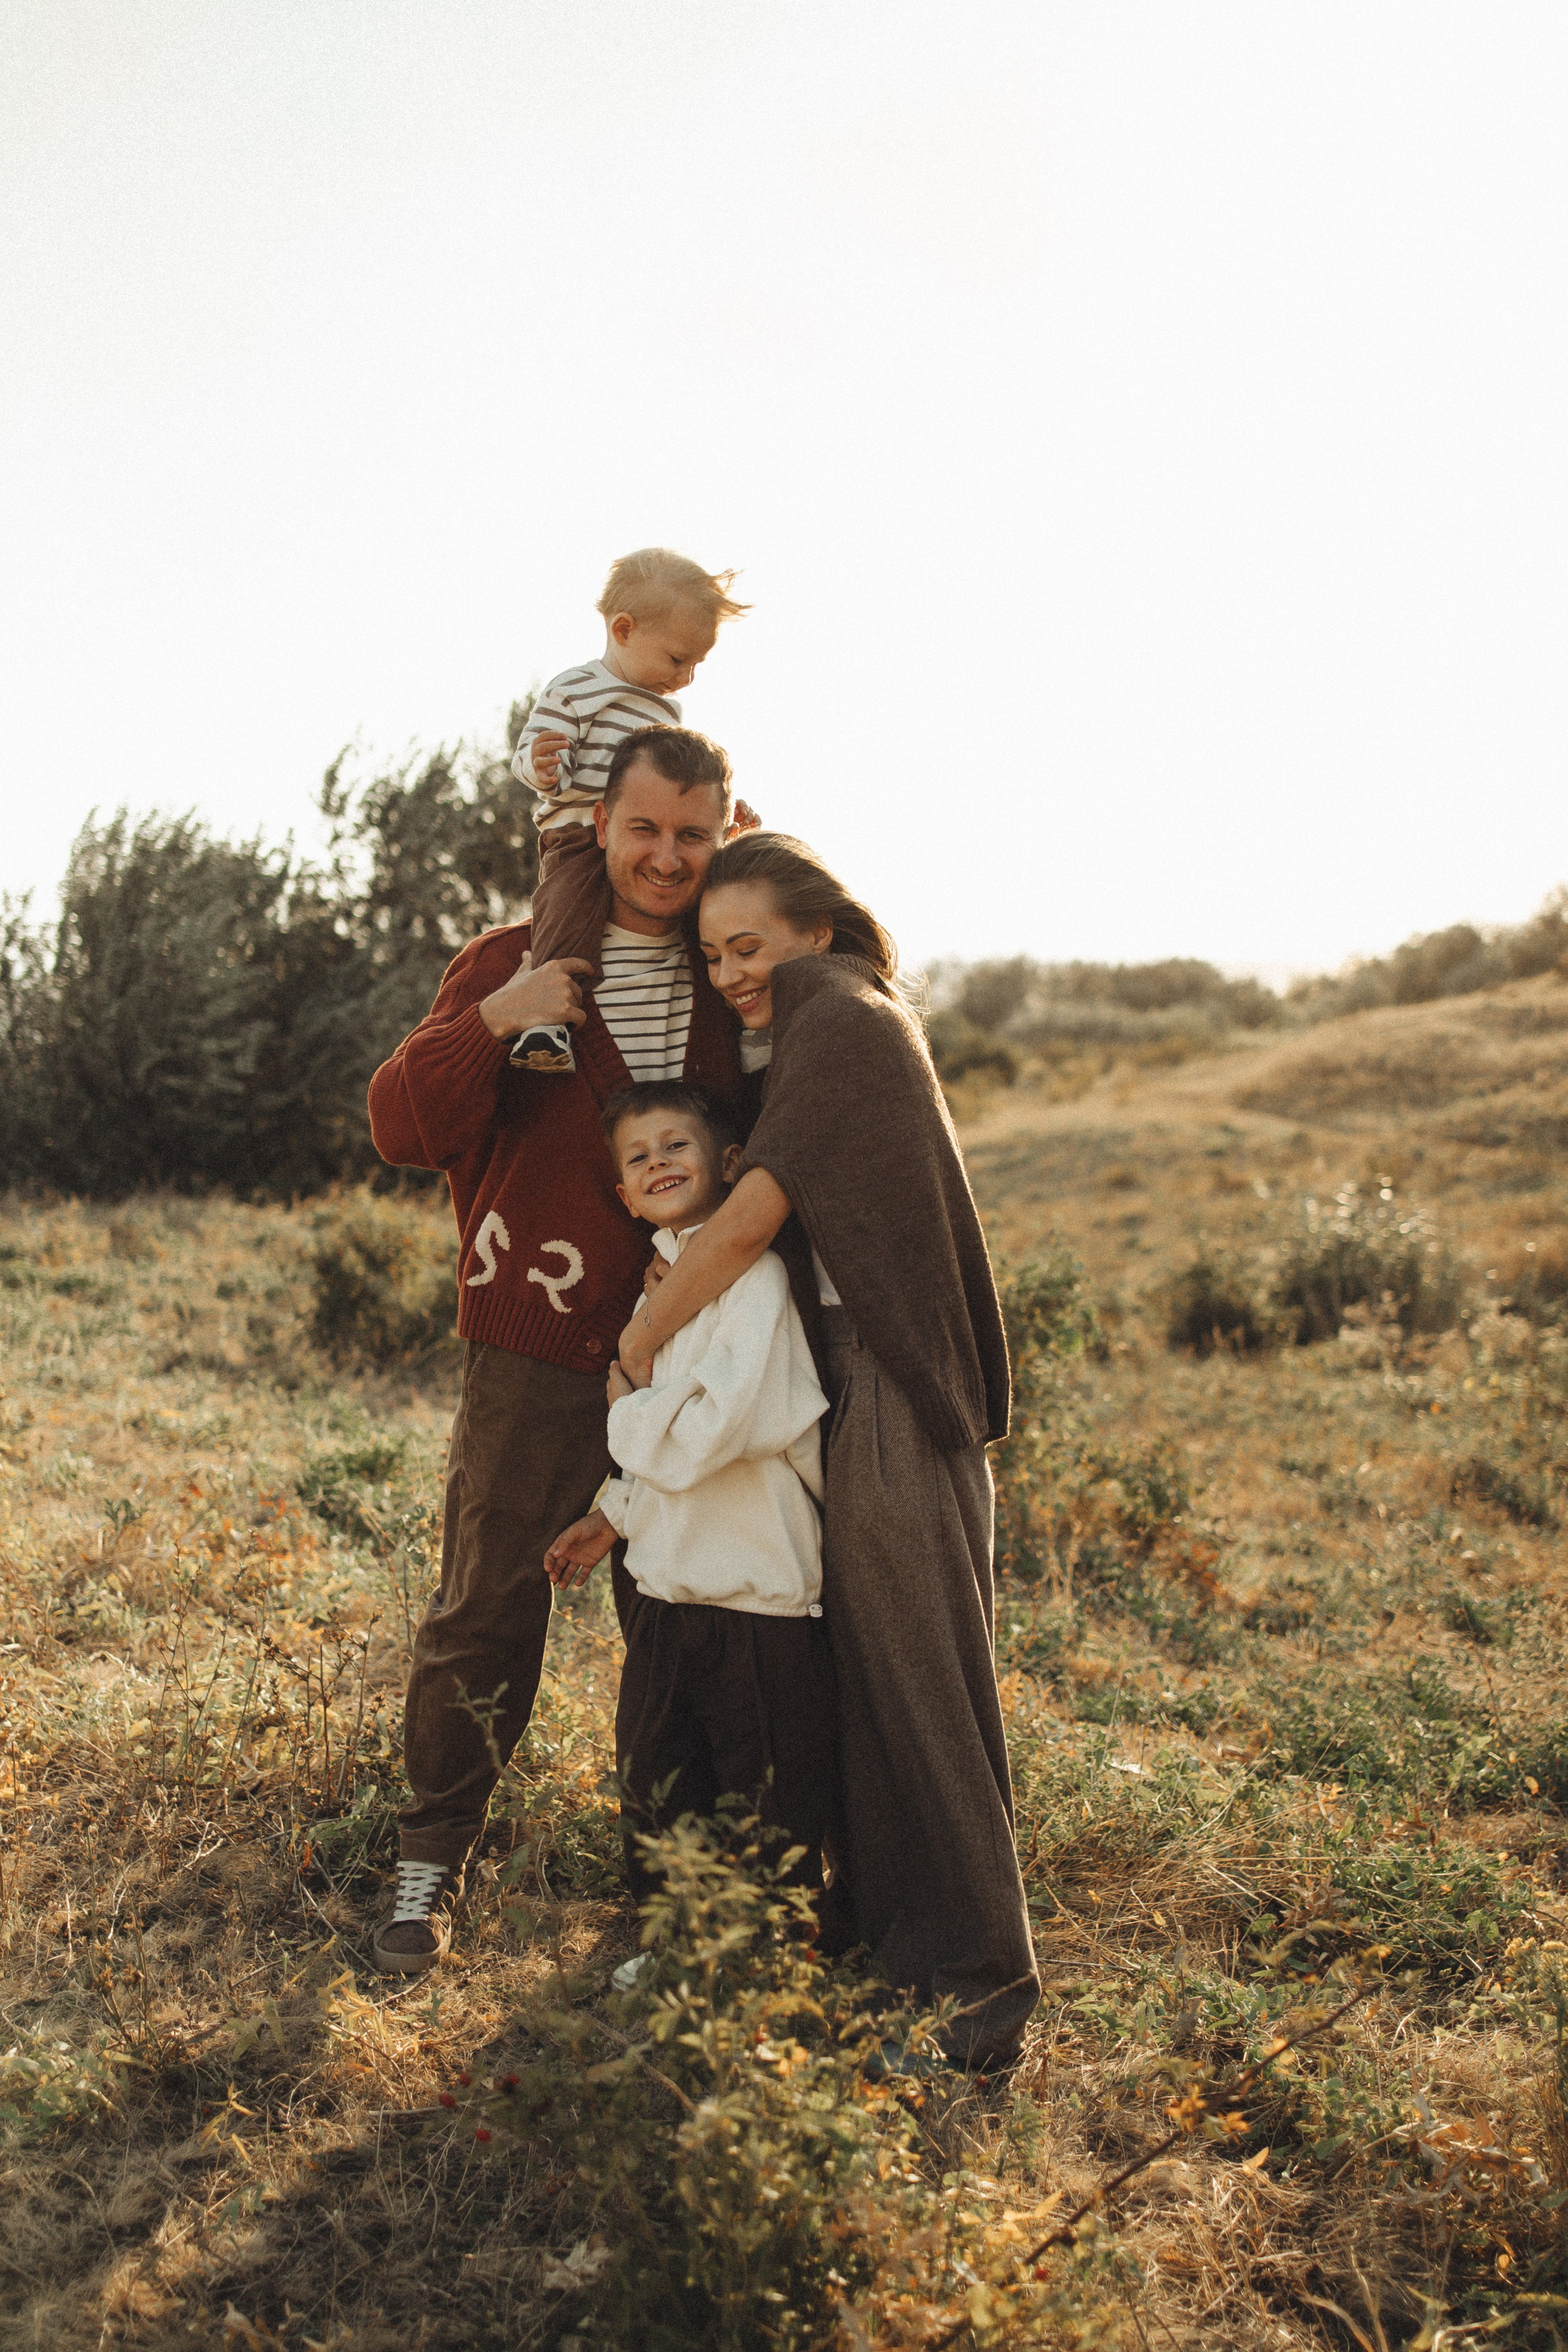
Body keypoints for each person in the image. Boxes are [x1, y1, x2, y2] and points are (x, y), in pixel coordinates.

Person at [616, 832, 1039, 2070]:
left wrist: (641, 1335)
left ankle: (973, 1989)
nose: (731, 971)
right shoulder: (826, 1020)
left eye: (749, 945)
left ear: (814, 930)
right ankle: (895, 1954)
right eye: (711, 953)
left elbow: (746, 1218)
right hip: (859, 1389)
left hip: (894, 1392)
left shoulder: (838, 1014)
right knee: (871, 1686)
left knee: (922, 1692)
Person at [364, 727, 747, 1975]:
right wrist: (494, 1018)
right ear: (600, 825)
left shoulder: (731, 972)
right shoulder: (510, 958)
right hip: (529, 1345)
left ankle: (672, 1891)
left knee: (684, 1614)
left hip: (686, 1353)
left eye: (692, 835)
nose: (665, 857)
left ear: (723, 834)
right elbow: (401, 1124)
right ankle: (428, 1866)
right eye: (642, 829)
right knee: (485, 1608)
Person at [543, 1080, 835, 1903]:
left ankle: (766, 1957)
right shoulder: (652, 1295)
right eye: (639, 1157)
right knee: (658, 1775)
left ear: (731, 1162)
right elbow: (664, 1454)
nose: (659, 1161)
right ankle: (671, 1938)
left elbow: (711, 1432)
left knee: (766, 1788)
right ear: (625, 1196)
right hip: (667, 1588)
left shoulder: (757, 1282)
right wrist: (614, 1514)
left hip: (757, 1593)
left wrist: (627, 1404)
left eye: (677, 1144)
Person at [508, 548, 750, 1073]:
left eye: (695, 664)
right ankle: (545, 1020)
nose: (686, 677)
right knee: (566, 912)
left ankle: (750, 1021)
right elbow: (528, 751)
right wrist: (542, 767)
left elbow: (683, 782)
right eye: (677, 659)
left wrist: (725, 812)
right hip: (575, 834)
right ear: (623, 630)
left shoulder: (663, 709)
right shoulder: (577, 688)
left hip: (626, 841)